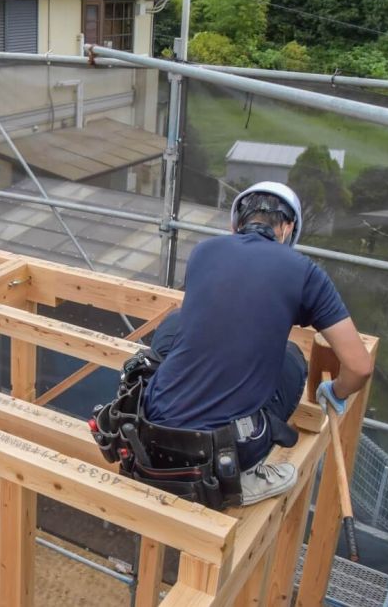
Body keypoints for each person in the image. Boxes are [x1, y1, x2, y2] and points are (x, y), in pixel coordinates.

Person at [141, 181, 373, 505]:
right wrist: (337, 391)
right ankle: (246, 475)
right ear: (288, 227)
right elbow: (360, 366)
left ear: (235, 223)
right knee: (291, 357)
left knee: (176, 324)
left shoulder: (203, 252)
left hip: (151, 430)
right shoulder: (305, 273)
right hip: (221, 451)